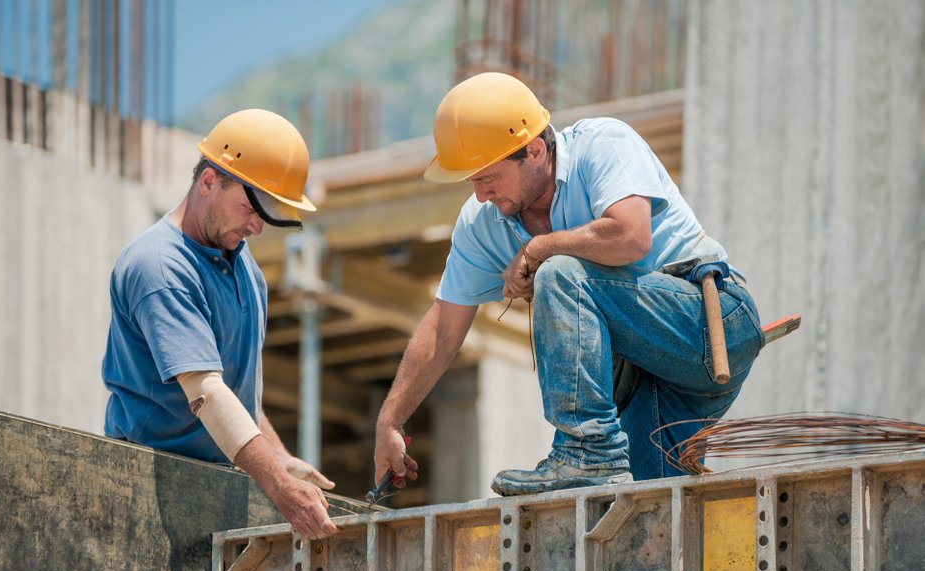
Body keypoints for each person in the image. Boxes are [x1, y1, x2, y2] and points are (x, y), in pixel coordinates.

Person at [374, 72, 764, 496]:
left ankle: (586, 453)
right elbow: (443, 328)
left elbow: (632, 236)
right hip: (647, 377)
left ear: (536, 149)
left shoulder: (602, 145)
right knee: (649, 513)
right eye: (472, 182)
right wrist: (389, 420)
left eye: (488, 178)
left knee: (559, 272)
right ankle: (597, 461)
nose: (481, 194)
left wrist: (542, 247)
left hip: (710, 322)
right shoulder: (482, 223)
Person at [103, 109, 338, 538]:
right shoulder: (160, 267)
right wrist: (279, 487)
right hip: (146, 489)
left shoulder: (246, 271)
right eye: (251, 207)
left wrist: (280, 459)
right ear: (209, 181)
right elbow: (207, 393)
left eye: (267, 214)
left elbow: (231, 391)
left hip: (210, 488)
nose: (257, 226)